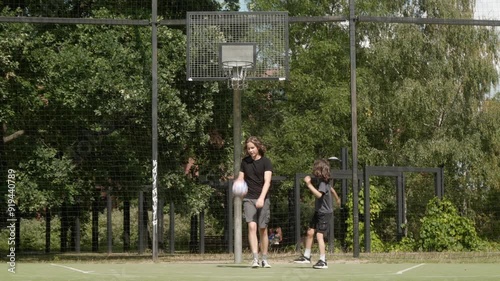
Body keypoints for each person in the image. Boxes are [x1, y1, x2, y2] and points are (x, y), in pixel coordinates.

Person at [294, 159, 341, 269]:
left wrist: (308, 184)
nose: (313, 170)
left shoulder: (323, 182)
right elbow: (332, 190)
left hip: (324, 213)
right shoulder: (324, 181)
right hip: (319, 211)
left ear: (319, 170)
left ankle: (323, 261)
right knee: (310, 232)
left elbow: (319, 195)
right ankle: (306, 256)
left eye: (315, 168)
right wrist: (337, 199)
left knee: (319, 235)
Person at [234, 136, 273, 268]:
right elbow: (241, 177)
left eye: (252, 148)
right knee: (252, 227)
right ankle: (255, 258)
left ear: (258, 147)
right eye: (248, 148)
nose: (250, 150)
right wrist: (238, 184)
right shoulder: (245, 162)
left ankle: (264, 259)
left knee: (263, 229)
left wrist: (262, 198)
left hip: (263, 198)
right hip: (248, 198)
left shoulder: (266, 162)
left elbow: (267, 182)